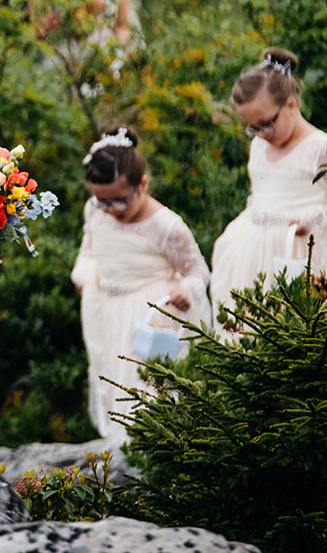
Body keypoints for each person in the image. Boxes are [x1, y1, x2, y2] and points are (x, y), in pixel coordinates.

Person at [69, 127, 209, 440]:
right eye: (101, 200)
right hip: (107, 311)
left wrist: (187, 290)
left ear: (142, 184)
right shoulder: (95, 210)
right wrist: (83, 273)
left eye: (119, 201)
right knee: (113, 384)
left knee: (149, 393)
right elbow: (89, 248)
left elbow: (198, 270)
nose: (109, 210)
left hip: (150, 316)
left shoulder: (166, 226)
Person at [211, 48, 327, 304]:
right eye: (252, 127)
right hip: (251, 254)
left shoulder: (322, 148)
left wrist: (320, 216)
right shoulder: (259, 146)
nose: (261, 133)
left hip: (298, 256)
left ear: (291, 105)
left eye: (266, 123)